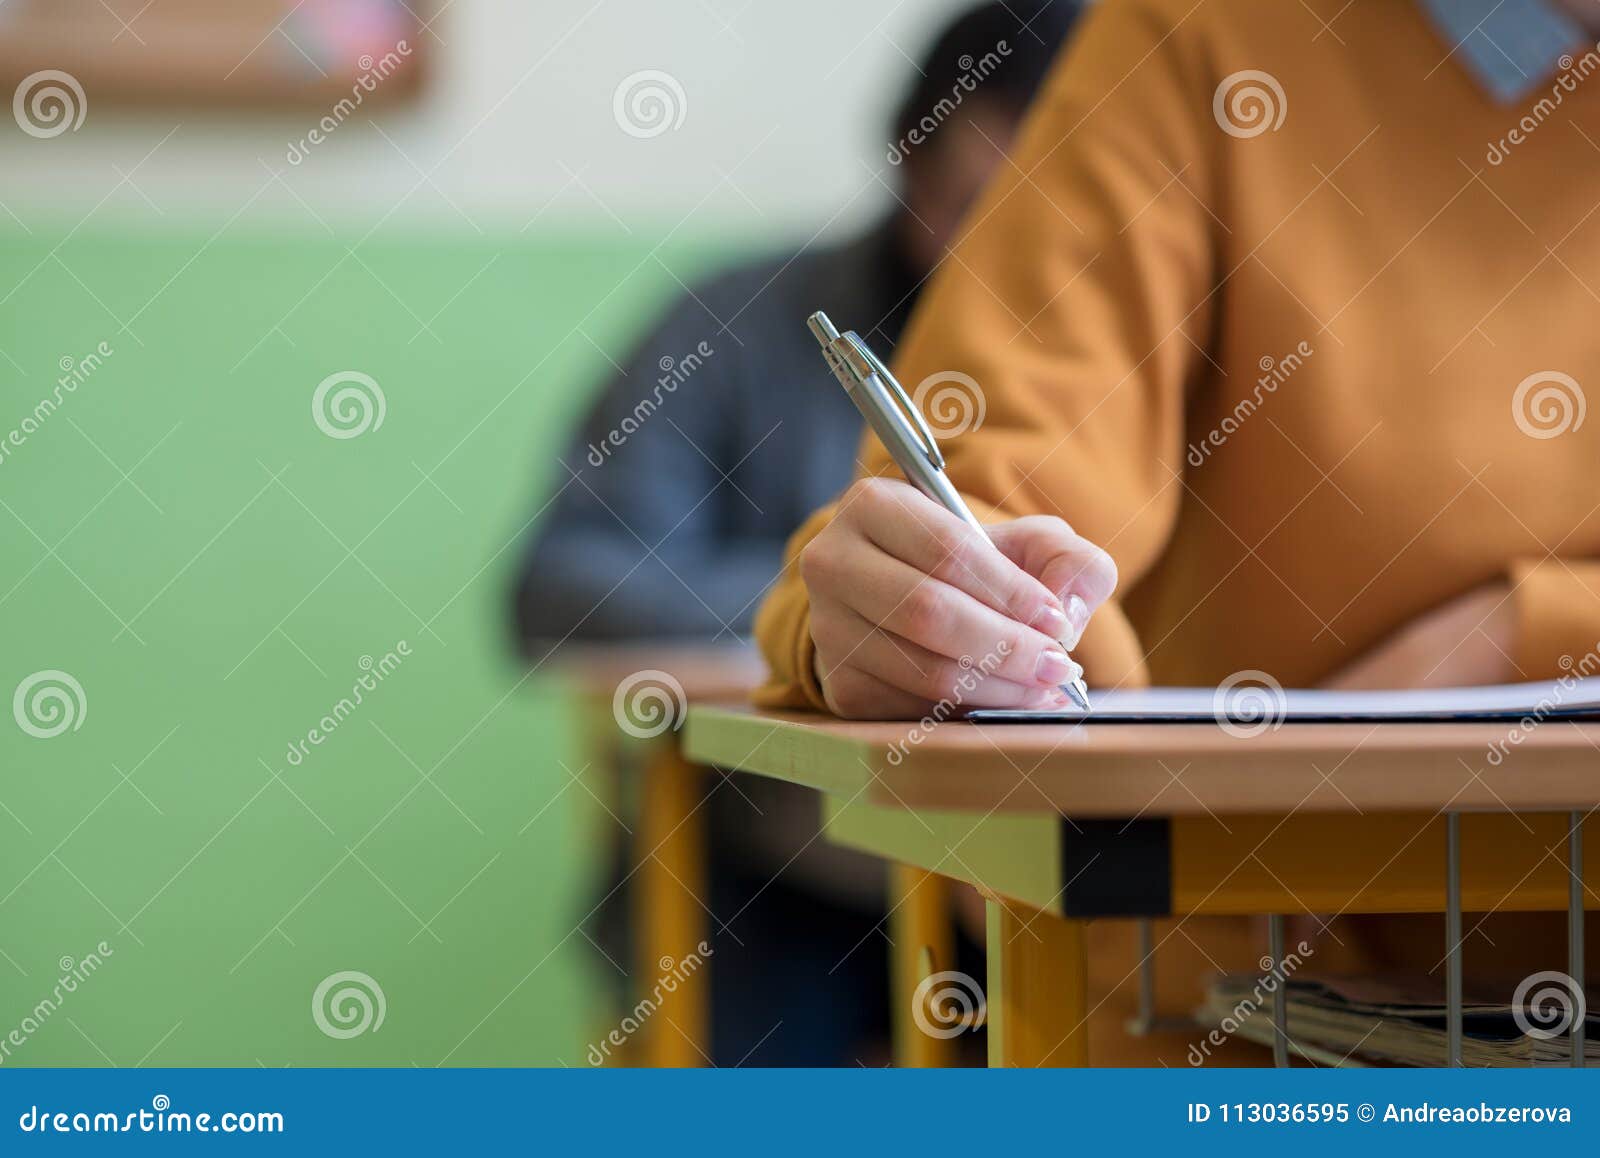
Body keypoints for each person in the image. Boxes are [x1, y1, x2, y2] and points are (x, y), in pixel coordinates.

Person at [756, 0, 1600, 1061]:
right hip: (1238, 1034)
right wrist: (916, 610)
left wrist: (1518, 636)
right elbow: (988, 496)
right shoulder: (1202, 36)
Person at [512, 2, 1087, 1065]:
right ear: (911, 167)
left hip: (1052, 872)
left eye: (1064, 217)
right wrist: (832, 613)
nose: (1014, 256)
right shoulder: (735, 327)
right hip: (782, 873)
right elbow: (563, 584)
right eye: (978, 207)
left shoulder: (1170, 352)